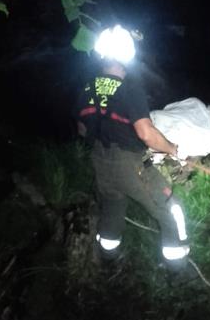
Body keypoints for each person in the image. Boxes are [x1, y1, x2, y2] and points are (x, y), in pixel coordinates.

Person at [76, 25, 190, 268]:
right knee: (171, 209)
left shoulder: (88, 87)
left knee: (114, 207)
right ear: (127, 54)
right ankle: (178, 268)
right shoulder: (129, 86)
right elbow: (145, 133)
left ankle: (108, 259)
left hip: (100, 162)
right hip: (129, 164)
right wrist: (172, 149)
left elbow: (83, 129)